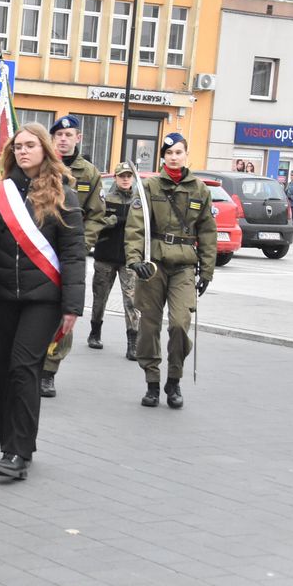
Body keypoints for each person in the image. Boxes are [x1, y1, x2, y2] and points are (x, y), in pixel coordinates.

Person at [0, 124, 84, 480]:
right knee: (3, 369)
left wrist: (72, 306)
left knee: (22, 366)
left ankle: (20, 451)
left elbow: (74, 254)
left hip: (44, 297)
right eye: (18, 146)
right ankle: (10, 445)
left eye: (31, 145)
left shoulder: (63, 193)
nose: (23, 151)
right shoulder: (1, 194)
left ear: (45, 149)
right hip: (5, 296)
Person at [125, 132, 216, 410]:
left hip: (185, 267)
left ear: (187, 155)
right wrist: (134, 260)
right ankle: (152, 382)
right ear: (163, 157)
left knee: (179, 324)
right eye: (169, 153)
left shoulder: (200, 189)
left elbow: (208, 232)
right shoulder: (150, 187)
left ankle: (173, 380)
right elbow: (135, 227)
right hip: (153, 267)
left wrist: (207, 271)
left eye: (179, 152)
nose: (174, 157)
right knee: (150, 326)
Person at [40, 115, 105, 397]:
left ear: (78, 138)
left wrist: (81, 243)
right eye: (59, 135)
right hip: (40, 250)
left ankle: (49, 369)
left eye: (69, 134)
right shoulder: (40, 166)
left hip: (69, 254)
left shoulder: (88, 173)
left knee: (66, 310)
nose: (64, 139)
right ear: (52, 139)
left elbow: (96, 215)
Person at [89, 164, 141, 359]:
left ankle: (132, 343)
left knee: (132, 301)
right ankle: (95, 332)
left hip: (129, 259)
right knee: (100, 297)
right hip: (105, 257)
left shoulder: (139, 200)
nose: (125, 179)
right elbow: (95, 222)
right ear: (116, 178)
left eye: (129, 176)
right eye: (122, 176)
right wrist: (114, 220)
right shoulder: (105, 199)